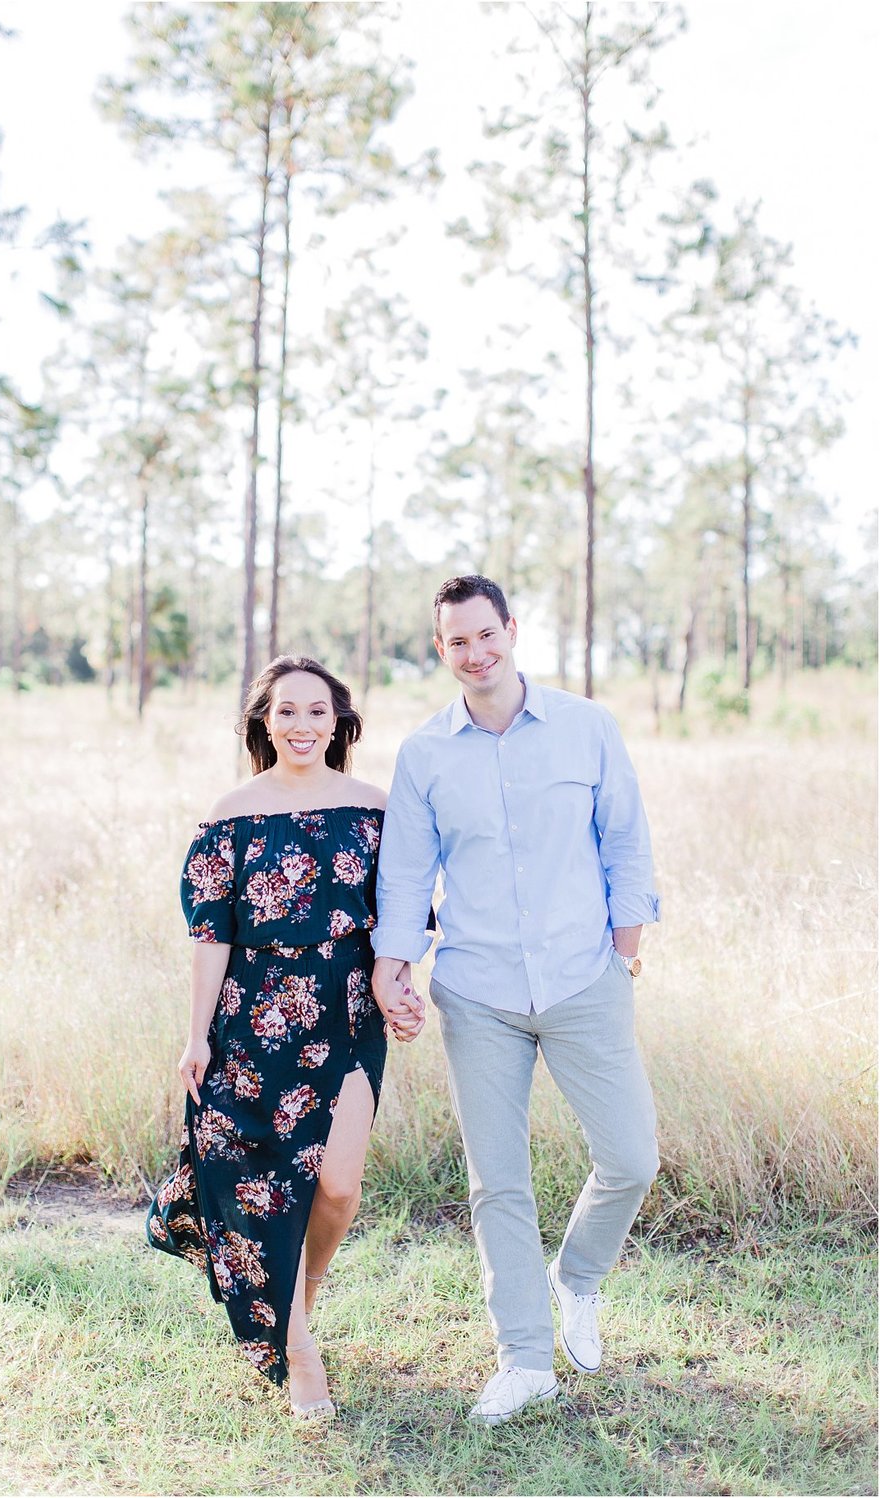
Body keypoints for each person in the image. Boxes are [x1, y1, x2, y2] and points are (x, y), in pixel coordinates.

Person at [371, 574, 661, 1426]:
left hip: (583, 980)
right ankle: (525, 1357)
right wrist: (398, 966)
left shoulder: (585, 727)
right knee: (499, 1183)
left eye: (486, 636)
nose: (475, 653)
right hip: (480, 991)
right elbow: (405, 878)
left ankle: (576, 1278)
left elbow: (627, 840)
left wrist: (627, 948)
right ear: (441, 649)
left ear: (512, 632)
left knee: (632, 1156)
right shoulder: (425, 754)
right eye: (457, 641)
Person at [147, 654, 414, 1420]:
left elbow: (395, 924)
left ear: (341, 723)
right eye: (287, 711)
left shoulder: (376, 809)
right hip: (253, 1026)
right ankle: (298, 1349)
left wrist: (400, 987)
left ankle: (295, 1300)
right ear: (264, 722)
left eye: (318, 712)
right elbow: (211, 938)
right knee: (263, 1198)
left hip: (349, 1022)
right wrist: (196, 1037)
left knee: (338, 1186)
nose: (303, 725)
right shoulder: (232, 815)